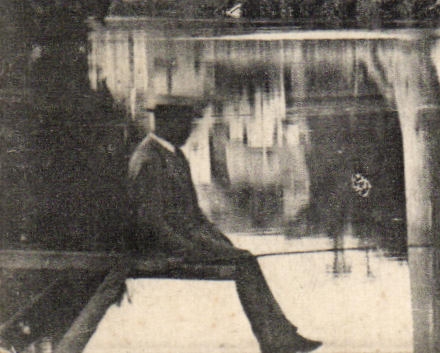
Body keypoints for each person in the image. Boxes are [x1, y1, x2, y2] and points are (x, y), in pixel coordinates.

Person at [127, 101, 320, 353]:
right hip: (161, 248)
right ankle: (277, 341)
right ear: (165, 124)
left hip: (186, 239)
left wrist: (219, 241)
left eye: (190, 125)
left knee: (243, 258)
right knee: (244, 263)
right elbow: (153, 223)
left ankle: (278, 337)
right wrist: (190, 250)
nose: (189, 131)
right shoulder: (149, 159)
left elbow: (195, 214)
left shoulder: (174, 155)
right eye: (184, 125)